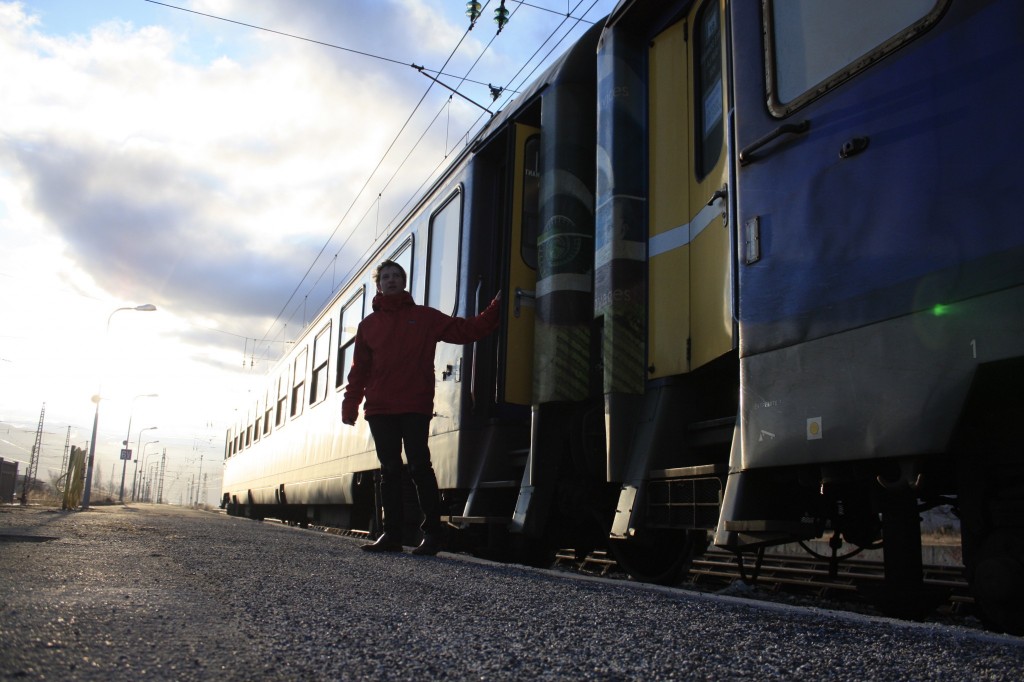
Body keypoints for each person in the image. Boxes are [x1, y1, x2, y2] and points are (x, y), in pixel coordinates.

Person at [341, 259, 501, 556]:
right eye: (385, 277)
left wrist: (494, 309)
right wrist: (351, 405)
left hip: (414, 403)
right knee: (388, 470)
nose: (391, 280)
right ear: (378, 285)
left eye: (396, 276)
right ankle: (391, 535)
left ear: (404, 281)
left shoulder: (424, 317)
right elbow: (359, 371)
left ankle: (432, 534)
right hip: (379, 408)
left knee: (419, 467)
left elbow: (465, 330)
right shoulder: (368, 326)